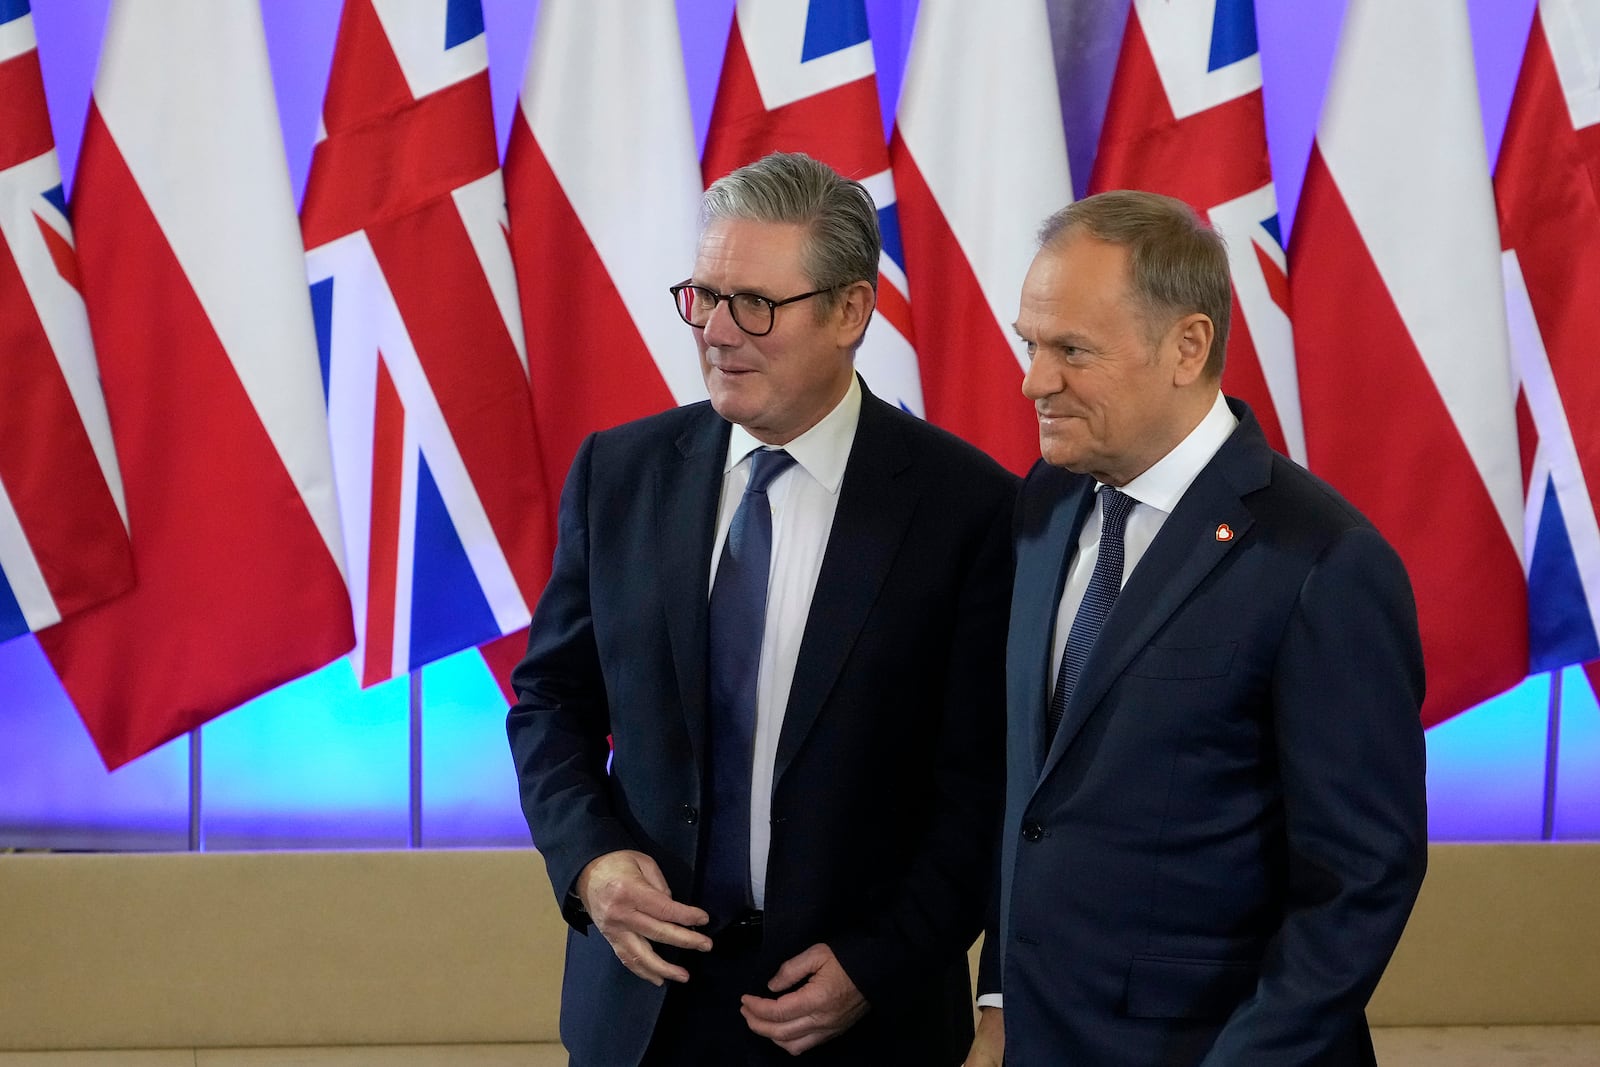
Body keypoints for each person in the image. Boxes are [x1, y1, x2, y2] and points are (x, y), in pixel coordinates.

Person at [507, 151, 1015, 1066]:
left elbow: (987, 784)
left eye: (755, 305)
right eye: (703, 295)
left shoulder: (966, 507)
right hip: (643, 1012)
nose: (716, 332)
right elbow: (551, 704)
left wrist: (881, 959)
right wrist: (589, 860)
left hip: (863, 1016)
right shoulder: (618, 475)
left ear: (851, 311)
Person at [966, 190, 1428, 1066]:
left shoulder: (1323, 562)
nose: (1033, 378)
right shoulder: (1046, 499)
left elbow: (1360, 881)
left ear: (1188, 346)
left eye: (1071, 350)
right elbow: (1034, 798)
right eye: (1032, 342)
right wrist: (999, 1000)